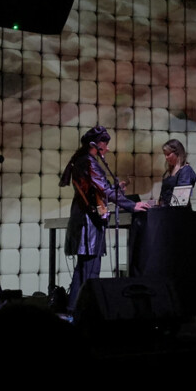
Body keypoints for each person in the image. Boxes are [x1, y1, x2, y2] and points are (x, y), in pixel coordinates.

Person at [59, 126, 146, 313]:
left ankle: (74, 308)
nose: (107, 149)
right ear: (96, 145)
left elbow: (98, 190)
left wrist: (116, 190)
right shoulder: (88, 162)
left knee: (83, 269)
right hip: (88, 222)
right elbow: (104, 191)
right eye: (105, 145)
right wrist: (132, 205)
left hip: (85, 219)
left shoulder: (82, 161)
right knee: (90, 269)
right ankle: (85, 311)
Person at [146, 138, 196, 208]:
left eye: (168, 154)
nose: (166, 157)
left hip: (178, 214)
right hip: (167, 212)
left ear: (177, 153)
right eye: (165, 155)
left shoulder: (185, 170)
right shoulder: (168, 172)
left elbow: (181, 199)